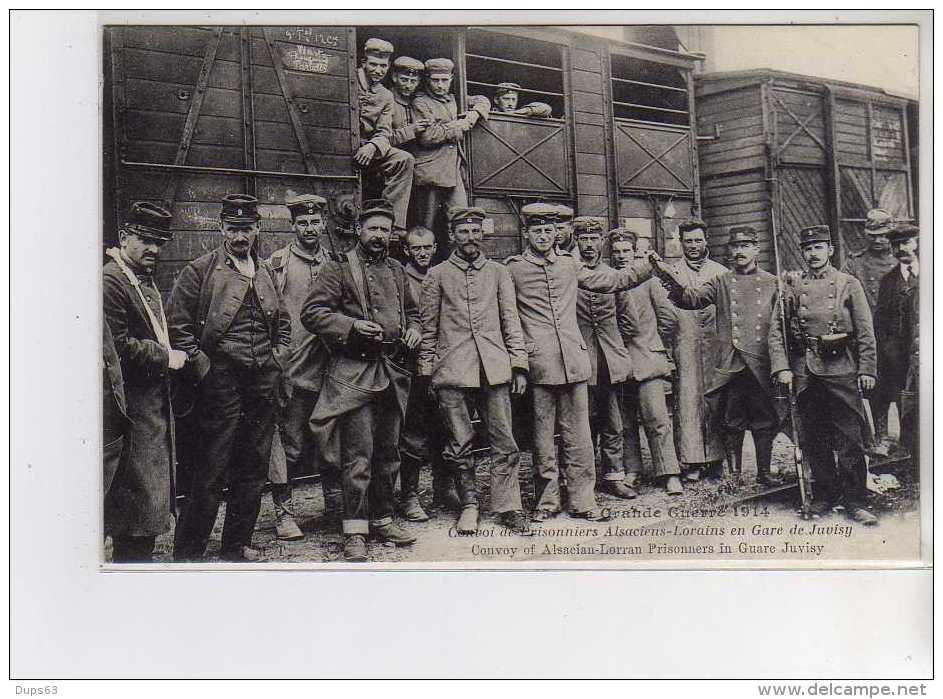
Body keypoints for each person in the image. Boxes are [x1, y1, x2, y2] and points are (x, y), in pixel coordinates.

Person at [504, 203, 657, 521]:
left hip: (575, 362)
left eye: (549, 230)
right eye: (537, 230)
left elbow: (612, 282)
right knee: (543, 439)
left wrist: (647, 267)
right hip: (540, 366)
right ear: (526, 233)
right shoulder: (513, 269)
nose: (544, 236)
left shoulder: (569, 266)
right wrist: (520, 360)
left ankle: (583, 501)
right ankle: (547, 502)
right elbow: (508, 318)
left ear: (557, 234)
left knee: (579, 437)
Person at [169, 194, 291, 561]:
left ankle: (236, 545)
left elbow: (283, 325)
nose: (240, 236)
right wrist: (204, 367)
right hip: (220, 380)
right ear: (222, 228)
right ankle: (189, 551)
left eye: (247, 229)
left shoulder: (266, 271)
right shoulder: (200, 270)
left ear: (257, 229)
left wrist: (277, 358)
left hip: (262, 380)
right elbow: (179, 329)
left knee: (253, 465)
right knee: (211, 466)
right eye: (233, 228)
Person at [301, 199, 422, 562]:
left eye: (385, 229)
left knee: (388, 452)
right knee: (358, 456)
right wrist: (350, 326)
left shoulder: (399, 271)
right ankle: (355, 531)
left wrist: (414, 329)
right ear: (359, 231)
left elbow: (413, 312)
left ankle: (383, 518)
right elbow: (312, 313)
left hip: (392, 373)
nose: (379, 236)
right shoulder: (339, 268)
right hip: (354, 376)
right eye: (373, 228)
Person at [419, 207, 531, 534]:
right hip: (451, 368)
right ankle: (469, 505)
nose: (470, 238)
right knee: (459, 442)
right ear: (452, 236)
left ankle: (509, 505)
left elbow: (511, 321)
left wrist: (519, 366)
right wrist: (428, 373)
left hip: (494, 368)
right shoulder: (437, 275)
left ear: (483, 234)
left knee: (504, 439)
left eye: (475, 232)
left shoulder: (499, 273)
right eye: (463, 232)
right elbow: (429, 328)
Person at [657, 226, 783, 487]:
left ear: (756, 249)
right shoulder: (722, 281)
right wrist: (668, 279)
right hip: (731, 363)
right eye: (735, 247)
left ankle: (764, 471)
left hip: (760, 363)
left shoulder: (773, 282)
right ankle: (734, 474)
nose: (739, 251)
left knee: (764, 420)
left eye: (745, 246)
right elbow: (692, 299)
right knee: (731, 419)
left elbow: (781, 324)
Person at [769, 225, 878, 525]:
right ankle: (826, 495)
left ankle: (856, 500)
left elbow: (865, 330)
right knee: (814, 437)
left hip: (841, 368)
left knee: (850, 438)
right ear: (802, 252)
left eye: (819, 247)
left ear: (830, 250)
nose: (813, 253)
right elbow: (776, 331)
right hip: (806, 371)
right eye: (808, 248)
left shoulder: (847, 283)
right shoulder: (791, 287)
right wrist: (781, 366)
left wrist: (867, 368)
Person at [103, 201, 182, 562]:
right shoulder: (112, 282)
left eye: (159, 242)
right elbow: (116, 347)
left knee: (146, 503)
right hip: (130, 411)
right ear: (124, 237)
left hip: (150, 408)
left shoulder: (138, 277)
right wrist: (166, 357)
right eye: (145, 239)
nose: (154, 249)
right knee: (134, 505)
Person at [264, 194, 338, 540]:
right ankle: (285, 514)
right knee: (289, 444)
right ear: (293, 226)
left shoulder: (335, 262)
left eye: (314, 222)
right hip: (293, 370)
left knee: (331, 440)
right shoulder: (277, 264)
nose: (309, 228)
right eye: (302, 223)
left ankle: (336, 509)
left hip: (331, 369)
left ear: (323, 224)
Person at [609, 229, 684, 495]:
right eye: (616, 252)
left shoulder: (648, 281)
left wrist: (653, 344)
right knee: (624, 421)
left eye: (625, 251)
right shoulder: (609, 281)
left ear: (634, 252)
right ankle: (633, 470)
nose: (620, 256)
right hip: (619, 362)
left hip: (647, 360)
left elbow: (669, 318)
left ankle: (669, 472)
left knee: (656, 418)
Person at [572, 218, 636, 499]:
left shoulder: (613, 276)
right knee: (580, 424)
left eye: (594, 239)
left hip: (609, 361)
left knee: (612, 422)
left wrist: (615, 346)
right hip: (581, 361)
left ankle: (614, 476)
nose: (589, 245)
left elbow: (629, 322)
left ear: (601, 242)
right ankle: (579, 480)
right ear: (577, 241)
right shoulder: (569, 273)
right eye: (583, 239)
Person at [398, 225, 456, 520]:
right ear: (407, 250)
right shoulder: (400, 278)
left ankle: (442, 488)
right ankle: (409, 495)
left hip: (441, 363)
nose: (422, 253)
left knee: (445, 428)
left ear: (435, 248)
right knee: (413, 433)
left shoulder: (443, 275)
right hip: (410, 368)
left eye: (427, 247)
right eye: (416, 248)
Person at [666, 218, 727, 480]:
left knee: (715, 398)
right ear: (681, 243)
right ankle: (690, 461)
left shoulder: (720, 272)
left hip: (715, 344)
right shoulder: (672, 273)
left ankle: (716, 459)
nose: (693, 246)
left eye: (697, 240)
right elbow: (665, 313)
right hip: (685, 341)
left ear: (706, 241)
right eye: (688, 241)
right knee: (687, 397)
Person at [411, 58, 491, 239]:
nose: (440, 85)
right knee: (426, 227)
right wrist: (458, 126)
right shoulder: (420, 102)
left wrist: (473, 115)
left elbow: (483, 100)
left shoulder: (456, 99)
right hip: (430, 172)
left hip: (454, 171)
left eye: (444, 80)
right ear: (427, 79)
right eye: (435, 80)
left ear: (452, 78)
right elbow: (427, 136)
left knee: (461, 220)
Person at [354, 38, 414, 231]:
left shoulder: (386, 95)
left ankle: (391, 222)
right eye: (373, 64)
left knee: (404, 159)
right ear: (363, 62)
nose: (378, 70)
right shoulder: (350, 81)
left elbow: (384, 131)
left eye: (383, 66)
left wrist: (373, 146)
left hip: (369, 149)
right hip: (345, 145)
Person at [874, 222, 919, 457]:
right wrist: (889, 351)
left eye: (905, 242)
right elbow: (880, 322)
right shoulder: (888, 282)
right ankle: (909, 448)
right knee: (905, 400)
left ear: (917, 242)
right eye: (895, 244)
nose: (901, 248)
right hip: (899, 358)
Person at [389, 56, 429, 150]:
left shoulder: (417, 99)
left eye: (413, 81)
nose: (408, 85)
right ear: (394, 77)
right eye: (404, 80)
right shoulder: (386, 100)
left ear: (419, 81)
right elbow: (382, 139)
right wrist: (412, 130)